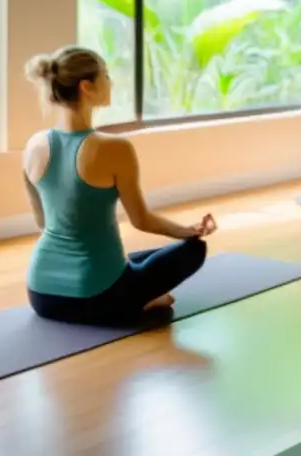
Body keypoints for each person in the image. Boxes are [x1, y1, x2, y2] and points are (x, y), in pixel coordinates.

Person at [22, 46, 217, 326]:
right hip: (98, 298)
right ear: (86, 87)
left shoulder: (34, 145)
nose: (111, 82)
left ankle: (136, 288)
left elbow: (43, 222)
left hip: (41, 295)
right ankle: (144, 300)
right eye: (106, 75)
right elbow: (141, 220)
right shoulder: (114, 148)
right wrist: (189, 231)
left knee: (135, 260)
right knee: (194, 249)